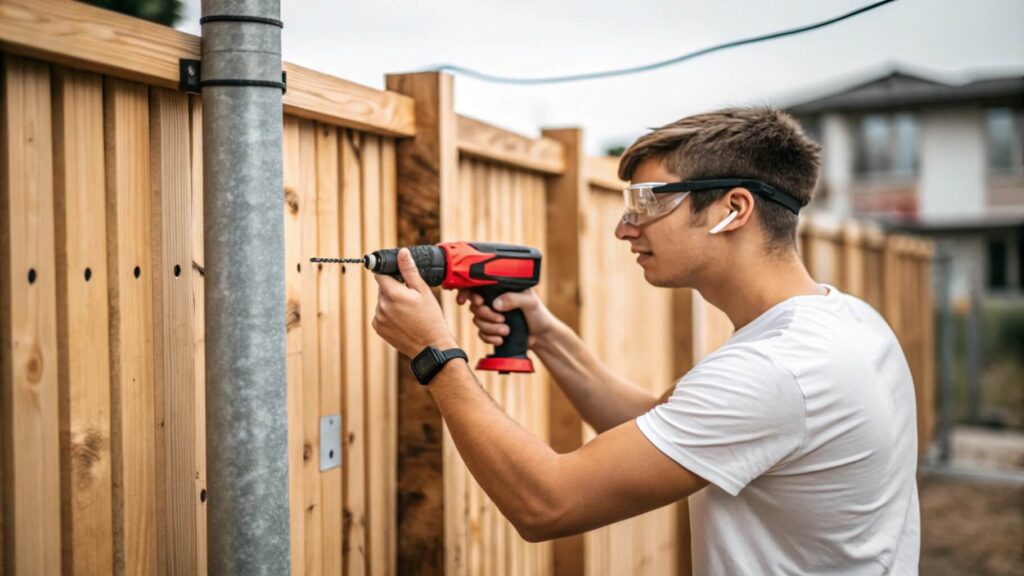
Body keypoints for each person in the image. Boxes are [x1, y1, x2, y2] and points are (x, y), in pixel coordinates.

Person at [371, 107, 920, 575]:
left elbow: (546, 504)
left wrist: (435, 353)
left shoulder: (776, 370)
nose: (625, 227)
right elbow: (669, 426)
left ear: (733, 210)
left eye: (648, 202)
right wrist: (545, 335)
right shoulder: (846, 322)